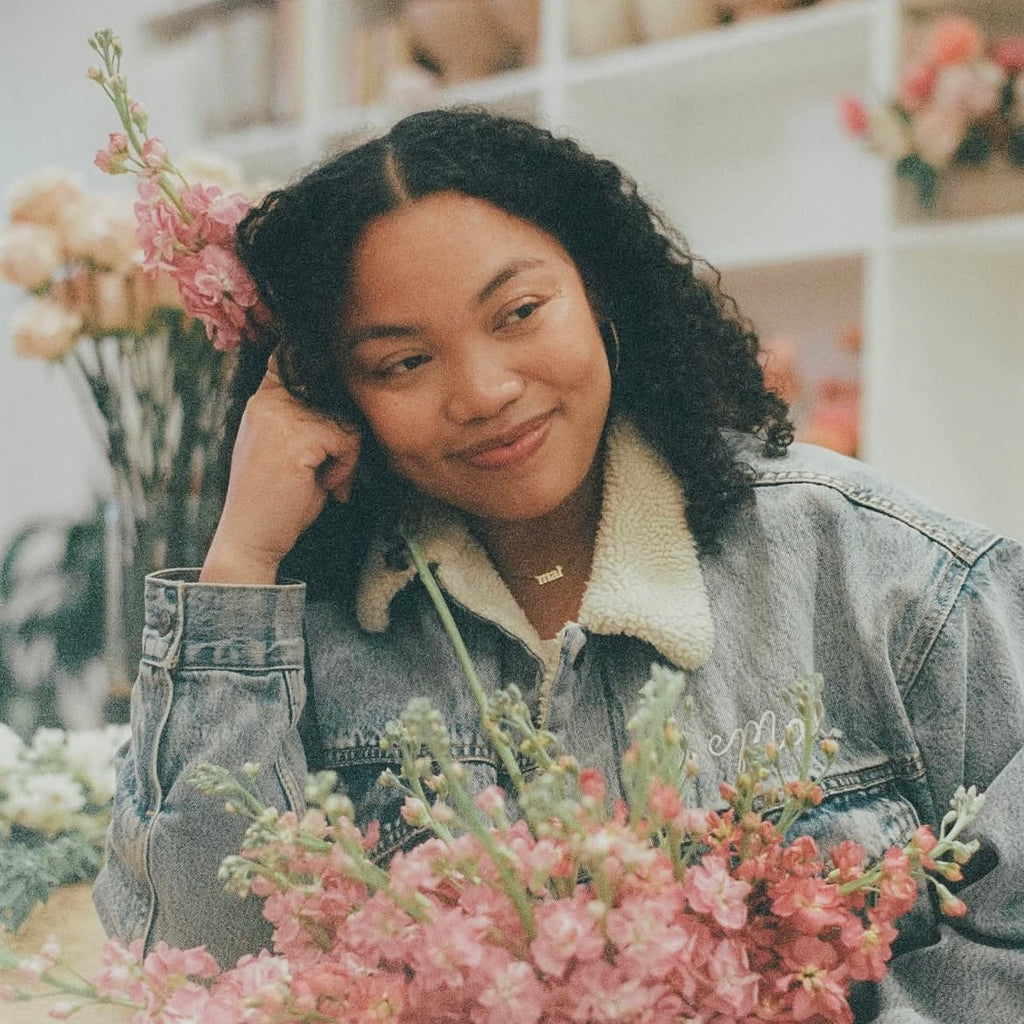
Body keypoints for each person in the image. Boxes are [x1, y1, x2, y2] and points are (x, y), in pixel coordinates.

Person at [93, 108, 1024, 1022]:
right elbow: (203, 968)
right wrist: (243, 555)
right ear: (333, 394)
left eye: (521, 313)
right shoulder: (310, 623)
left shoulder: (891, 577)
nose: (485, 393)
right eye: (404, 363)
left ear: (601, 290)